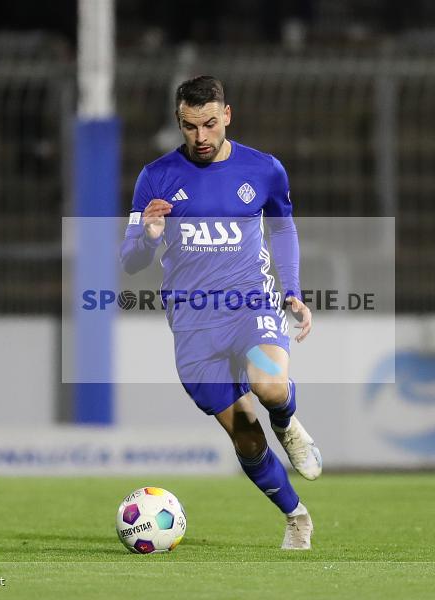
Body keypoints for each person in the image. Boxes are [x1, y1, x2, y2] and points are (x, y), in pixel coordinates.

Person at [120, 76, 322, 548]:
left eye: (210, 124)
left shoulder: (264, 170)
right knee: (247, 439)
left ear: (227, 115)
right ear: (179, 122)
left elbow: (283, 228)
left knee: (270, 385)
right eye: (190, 127)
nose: (201, 137)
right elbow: (129, 261)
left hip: (250, 305)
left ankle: (287, 423)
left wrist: (292, 290)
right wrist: (148, 237)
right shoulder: (155, 177)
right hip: (193, 325)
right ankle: (296, 515)